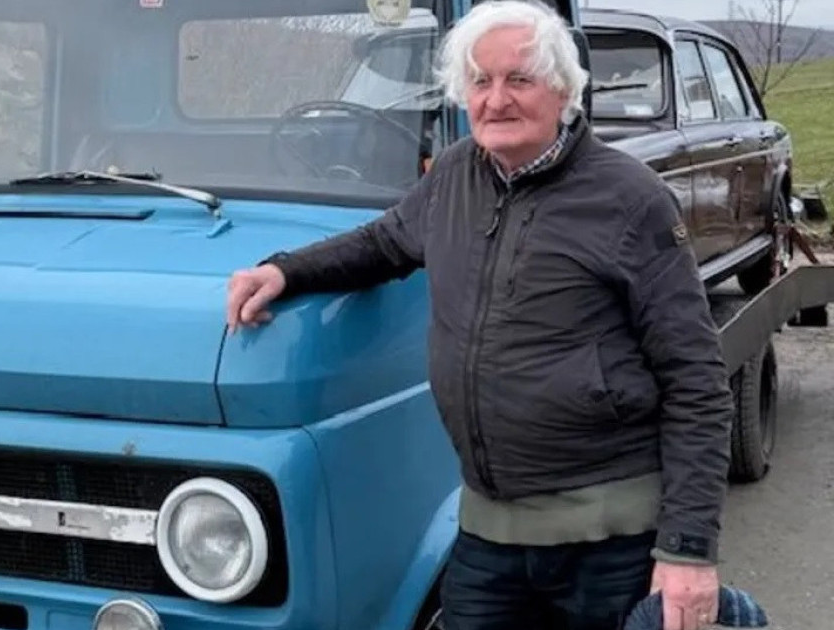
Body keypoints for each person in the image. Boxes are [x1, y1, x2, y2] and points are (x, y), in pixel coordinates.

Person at [224, 1, 735, 629]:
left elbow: (696, 381)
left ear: (563, 90)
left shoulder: (630, 199)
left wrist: (687, 551)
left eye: (519, 79)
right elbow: (383, 242)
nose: (496, 100)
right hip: (489, 533)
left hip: (609, 543)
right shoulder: (455, 175)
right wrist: (285, 271)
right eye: (480, 81)